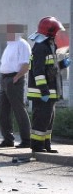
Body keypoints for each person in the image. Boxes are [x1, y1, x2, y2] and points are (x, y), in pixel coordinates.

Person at [26, 16, 70, 153]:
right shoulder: (40, 48)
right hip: (42, 93)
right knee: (41, 120)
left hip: (50, 92)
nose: (58, 34)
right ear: (50, 32)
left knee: (48, 121)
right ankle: (37, 146)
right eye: (56, 32)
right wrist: (44, 91)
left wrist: (63, 64)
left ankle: (46, 145)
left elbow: (52, 68)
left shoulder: (51, 46)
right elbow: (38, 72)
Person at [0, 25, 31, 148]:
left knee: (19, 110)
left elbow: (26, 64)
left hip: (14, 79)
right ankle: (8, 139)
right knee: (3, 112)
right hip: (4, 79)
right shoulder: (9, 45)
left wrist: (17, 77)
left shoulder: (22, 44)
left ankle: (27, 140)